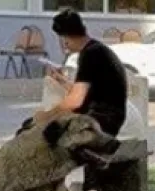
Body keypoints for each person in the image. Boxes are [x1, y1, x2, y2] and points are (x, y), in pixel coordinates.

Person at [32, 9, 127, 138]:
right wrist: (61, 80)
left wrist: (46, 115)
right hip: (106, 116)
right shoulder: (95, 49)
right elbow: (84, 93)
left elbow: (75, 101)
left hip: (101, 120)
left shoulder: (90, 54)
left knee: (44, 132)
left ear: (65, 38)